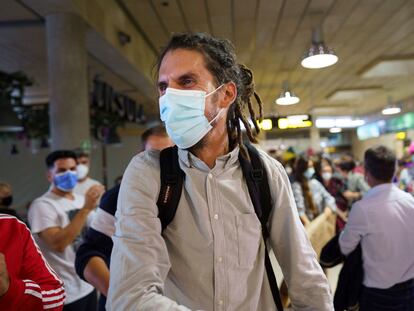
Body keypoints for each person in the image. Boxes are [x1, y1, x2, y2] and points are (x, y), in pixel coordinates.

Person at [107, 32, 333, 310]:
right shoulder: (148, 173)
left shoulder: (264, 173)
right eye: (164, 86)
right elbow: (129, 296)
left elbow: (306, 279)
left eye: (186, 81)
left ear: (226, 94)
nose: (170, 97)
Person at [75, 125, 172, 311]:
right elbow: (88, 253)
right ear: (141, 155)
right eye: (152, 154)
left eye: (168, 154)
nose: (159, 162)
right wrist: (118, 295)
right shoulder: (118, 196)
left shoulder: (188, 193)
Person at [339, 146, 414, 310]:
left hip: (377, 292)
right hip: (409, 287)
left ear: (366, 173)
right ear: (394, 170)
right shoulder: (410, 201)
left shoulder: (363, 208)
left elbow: (345, 247)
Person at [28, 150, 104, 311]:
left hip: (87, 284)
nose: (69, 174)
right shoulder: (42, 205)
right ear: (50, 175)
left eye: (72, 169)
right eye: (62, 170)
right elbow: (58, 243)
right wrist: (85, 209)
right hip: (65, 291)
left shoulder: (81, 199)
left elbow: (97, 234)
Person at [0, 214, 65, 310]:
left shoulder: (11, 226)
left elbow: (56, 297)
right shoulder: (40, 206)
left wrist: (9, 289)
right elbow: (58, 244)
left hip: (77, 285)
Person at [291, 155, 337, 227]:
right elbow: (299, 210)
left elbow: (329, 197)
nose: (311, 169)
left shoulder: (314, 183)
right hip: (306, 225)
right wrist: (309, 224)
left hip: (319, 222)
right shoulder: (296, 186)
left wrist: (328, 207)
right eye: (309, 167)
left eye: (312, 166)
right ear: (302, 169)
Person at [320, 159, 348, 232]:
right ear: (320, 173)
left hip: (342, 214)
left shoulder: (337, 182)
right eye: (324, 171)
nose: (326, 173)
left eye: (329, 171)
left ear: (332, 172)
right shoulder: (319, 185)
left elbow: (344, 197)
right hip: (330, 215)